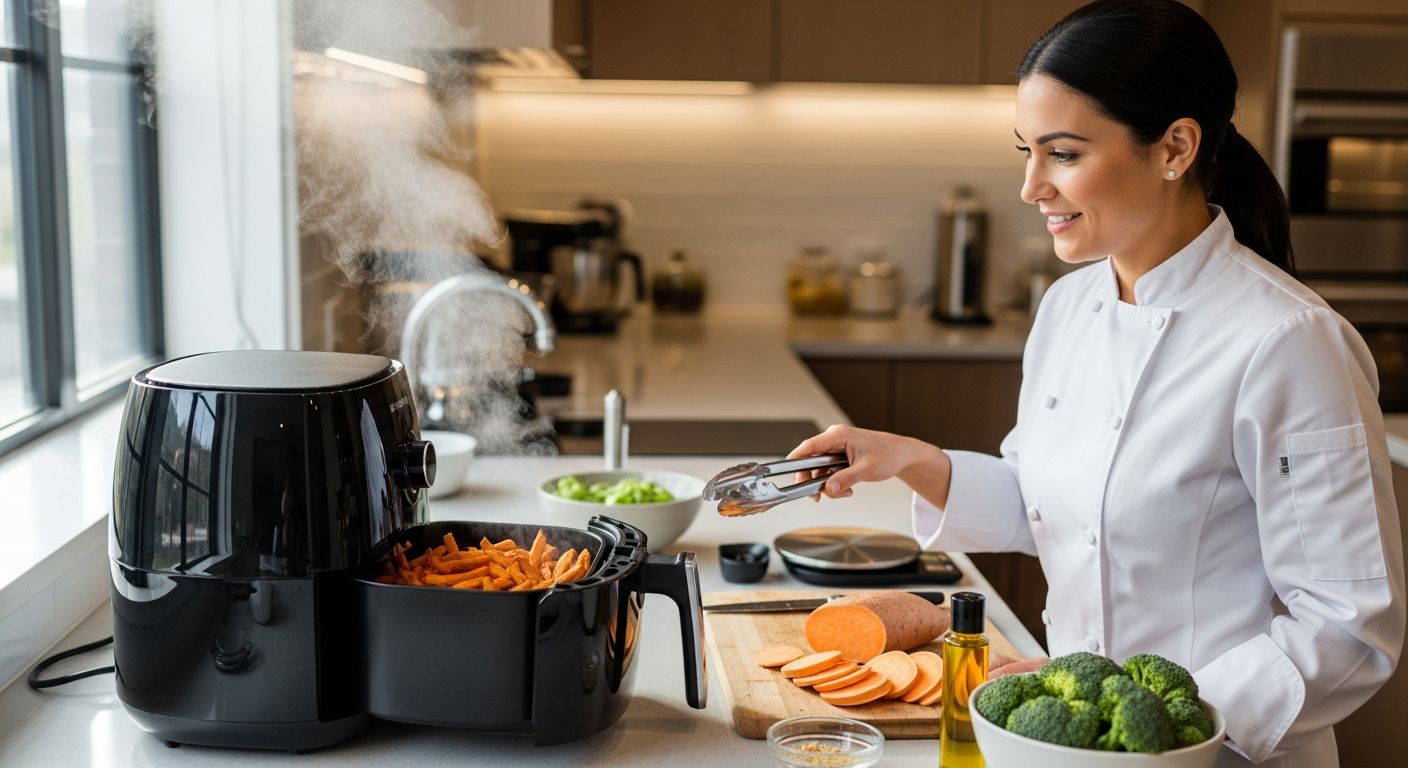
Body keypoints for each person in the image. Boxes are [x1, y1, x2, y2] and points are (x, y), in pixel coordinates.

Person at [789, 1, 1404, 765]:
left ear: (1176, 145)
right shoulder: (1069, 307)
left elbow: (1348, 623)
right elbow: (1064, 508)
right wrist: (913, 459)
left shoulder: (1289, 342)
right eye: (1027, 151)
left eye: (1064, 154)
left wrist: (1132, 709)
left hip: (1220, 751)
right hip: (1070, 745)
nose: (1030, 187)